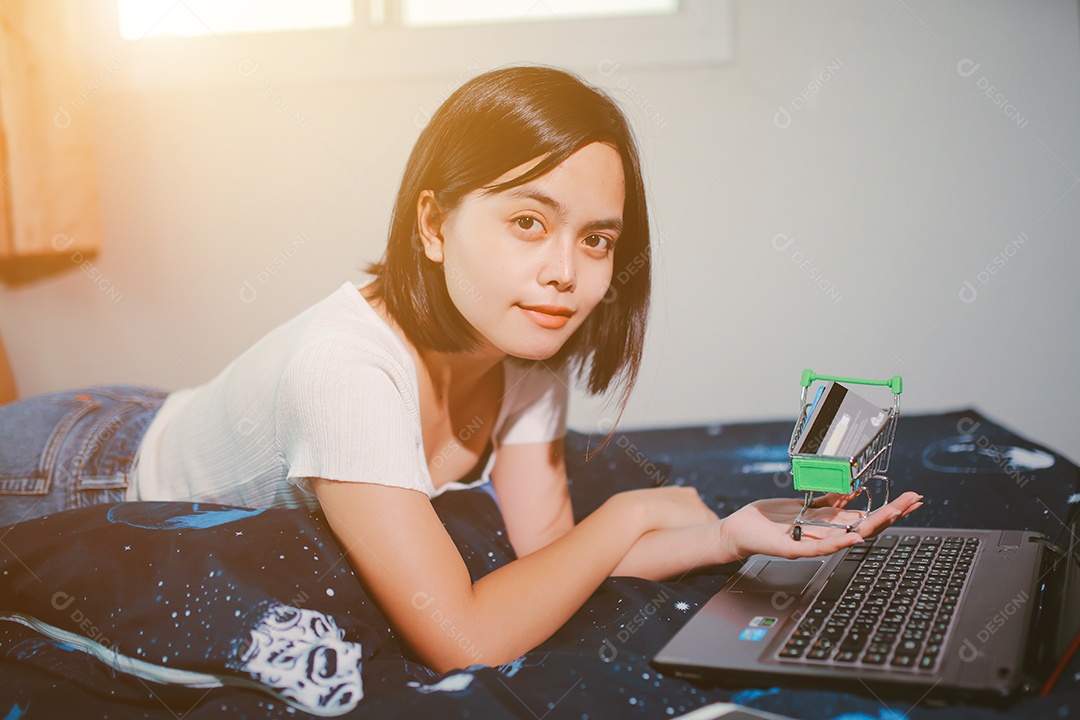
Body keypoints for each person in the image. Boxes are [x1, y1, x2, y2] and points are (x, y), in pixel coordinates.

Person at [0, 66, 922, 672]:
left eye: (596, 239)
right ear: (434, 225)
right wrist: (634, 509)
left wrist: (728, 533)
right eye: (528, 221)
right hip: (68, 467)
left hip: (164, 412)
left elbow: (548, 553)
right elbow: (463, 639)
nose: (565, 272)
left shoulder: (526, 352)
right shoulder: (345, 373)